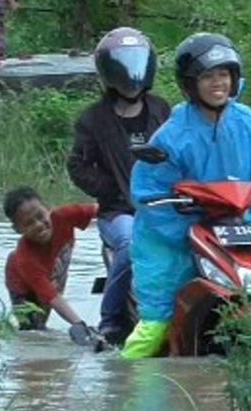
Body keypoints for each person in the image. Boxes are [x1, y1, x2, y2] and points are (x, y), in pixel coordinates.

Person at [121, 33, 251, 359]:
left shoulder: (246, 121)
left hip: (231, 232)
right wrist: (185, 228)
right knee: (156, 327)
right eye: (207, 76)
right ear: (191, 84)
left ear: (235, 79)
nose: (217, 83)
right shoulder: (173, 135)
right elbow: (147, 194)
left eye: (224, 74)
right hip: (172, 242)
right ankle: (128, 390)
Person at [67, 27, 171, 347]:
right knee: (130, 243)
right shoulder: (93, 120)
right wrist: (110, 189)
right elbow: (77, 165)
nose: (132, 74)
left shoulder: (163, 110)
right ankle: (110, 321)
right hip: (119, 212)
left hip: (165, 206)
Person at [2, 186, 99, 344]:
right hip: (21, 284)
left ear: (48, 209)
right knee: (34, 333)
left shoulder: (64, 215)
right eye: (28, 224)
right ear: (17, 230)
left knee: (44, 324)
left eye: (40, 216)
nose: (39, 225)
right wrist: (80, 325)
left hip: (54, 272)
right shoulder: (25, 258)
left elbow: (104, 211)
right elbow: (51, 296)